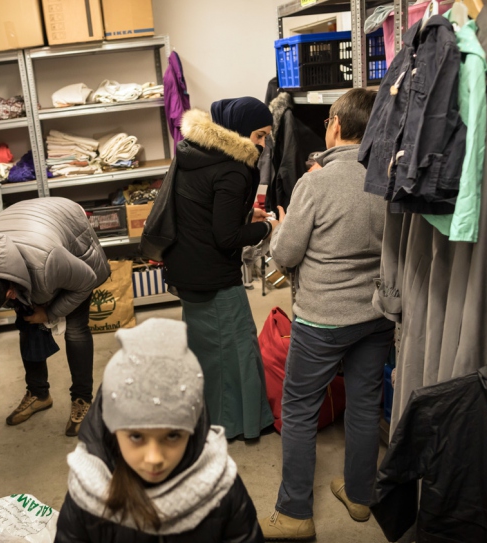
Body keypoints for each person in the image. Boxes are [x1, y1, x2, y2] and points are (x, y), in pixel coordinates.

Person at [258, 88, 391, 540]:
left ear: (335, 124)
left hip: (322, 319)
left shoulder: (314, 183)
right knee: (364, 402)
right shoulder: (389, 176)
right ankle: (359, 495)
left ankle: (295, 513)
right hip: (375, 314)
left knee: (298, 408)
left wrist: (278, 230)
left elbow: (287, 254)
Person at [56, 318, 264, 543]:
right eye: (136, 436)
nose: (154, 458)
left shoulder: (221, 489)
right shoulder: (87, 492)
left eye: (173, 435)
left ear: (193, 429)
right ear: (112, 428)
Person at [0, 197, 110, 437]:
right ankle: (38, 393)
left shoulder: (48, 263)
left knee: (75, 329)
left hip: (66, 223)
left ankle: (82, 399)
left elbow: (86, 281)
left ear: (9, 292)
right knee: (27, 323)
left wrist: (49, 312)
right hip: (22, 230)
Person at [162, 97, 276, 441]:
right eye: (259, 135)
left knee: (206, 354)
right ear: (239, 131)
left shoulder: (193, 152)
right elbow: (227, 237)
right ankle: (237, 424)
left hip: (186, 270)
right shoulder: (234, 168)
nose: (262, 144)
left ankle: (208, 417)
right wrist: (270, 227)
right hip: (214, 276)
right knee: (237, 349)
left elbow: (202, 210)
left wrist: (244, 216)